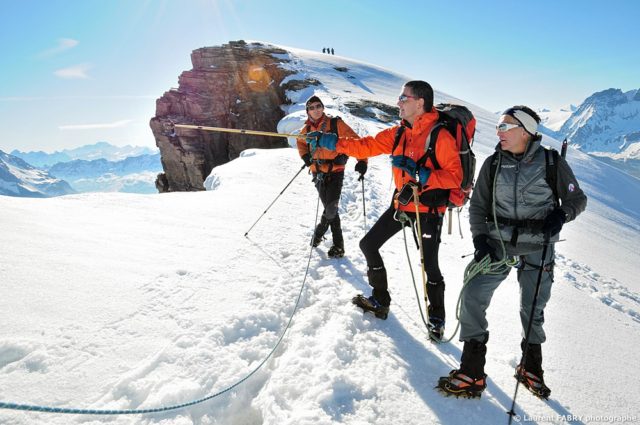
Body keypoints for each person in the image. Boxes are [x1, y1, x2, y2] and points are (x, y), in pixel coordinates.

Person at [437, 106, 587, 399]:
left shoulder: (551, 162)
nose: (499, 132)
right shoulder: (493, 163)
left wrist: (561, 215)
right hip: (498, 244)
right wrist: (481, 239)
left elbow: (577, 199)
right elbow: (479, 206)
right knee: (473, 296)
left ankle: (531, 368)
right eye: (499, 127)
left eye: (506, 127)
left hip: (538, 246)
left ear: (526, 131)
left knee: (533, 308)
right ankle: (472, 370)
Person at [306, 81, 461, 340]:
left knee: (429, 264)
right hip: (402, 204)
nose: (398, 102)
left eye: (404, 97)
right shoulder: (399, 133)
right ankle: (380, 299)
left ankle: (437, 319)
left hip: (428, 210)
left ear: (420, 102)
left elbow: (455, 178)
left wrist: (422, 174)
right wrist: (331, 141)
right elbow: (365, 146)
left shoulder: (439, 136)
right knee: (368, 244)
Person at [297, 95, 367, 258]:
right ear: (308, 111)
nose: (316, 110)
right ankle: (336, 245)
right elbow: (300, 143)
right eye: (312, 107)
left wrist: (362, 160)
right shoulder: (306, 129)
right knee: (331, 209)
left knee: (330, 208)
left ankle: (321, 235)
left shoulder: (336, 124)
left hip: (336, 172)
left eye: (318, 106)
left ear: (323, 108)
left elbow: (356, 141)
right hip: (318, 173)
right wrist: (305, 157)